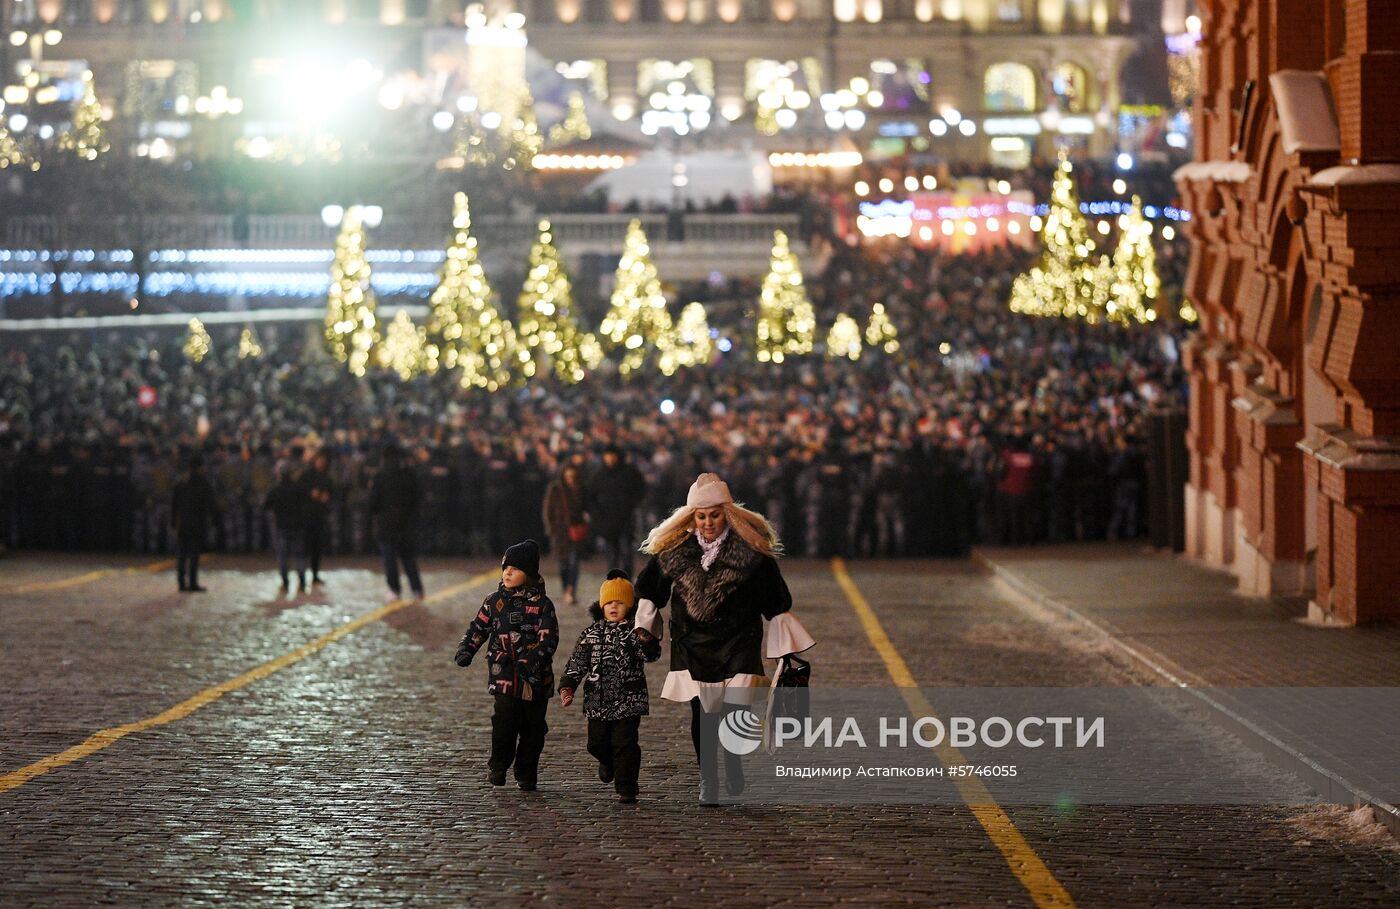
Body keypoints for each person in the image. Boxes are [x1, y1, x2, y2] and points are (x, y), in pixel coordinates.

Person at [634, 473, 814, 806]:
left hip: (738, 641)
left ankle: (732, 763)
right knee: (703, 715)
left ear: (727, 513)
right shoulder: (673, 551)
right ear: (691, 517)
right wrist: (644, 630)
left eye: (714, 515)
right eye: (701, 516)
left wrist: (786, 648)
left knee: (734, 713)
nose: (707, 523)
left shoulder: (752, 552)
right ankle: (708, 780)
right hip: (692, 643)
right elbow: (649, 590)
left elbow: (775, 600)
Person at [454, 540, 559, 792]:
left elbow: (549, 639)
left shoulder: (542, 605)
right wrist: (466, 649)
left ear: (529, 573)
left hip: (535, 680)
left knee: (533, 729)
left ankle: (526, 772)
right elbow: (478, 627)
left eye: (515, 568)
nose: (507, 573)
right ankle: (498, 765)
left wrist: (531, 660)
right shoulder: (494, 602)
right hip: (504, 674)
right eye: (505, 567)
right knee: (504, 720)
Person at [559, 570, 661, 804]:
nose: (614, 607)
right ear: (601, 605)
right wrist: (568, 685)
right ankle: (608, 761)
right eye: (609, 603)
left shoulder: (634, 633)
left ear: (630, 607)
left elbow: (651, 655)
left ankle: (627, 787)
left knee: (625, 744)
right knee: (596, 743)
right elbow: (578, 661)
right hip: (597, 700)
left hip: (628, 700)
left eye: (620, 603)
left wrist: (647, 641)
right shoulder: (591, 633)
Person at [368, 443, 424, 602]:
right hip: (406, 523)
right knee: (409, 558)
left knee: (389, 559)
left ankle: (394, 590)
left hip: (387, 524)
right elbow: (417, 499)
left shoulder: (380, 476)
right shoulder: (409, 474)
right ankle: (417, 589)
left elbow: (373, 503)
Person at [588, 445, 645, 578]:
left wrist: (631, 504)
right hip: (608, 521)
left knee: (626, 553)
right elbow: (591, 496)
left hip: (626, 519)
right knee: (612, 555)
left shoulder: (629, 472)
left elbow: (641, 489)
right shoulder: (599, 474)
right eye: (607, 455)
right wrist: (598, 513)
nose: (610, 458)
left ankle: (627, 581)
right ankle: (613, 583)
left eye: (612, 455)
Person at [171, 453, 217, 593]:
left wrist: (173, 522)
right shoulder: (203, 482)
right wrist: (214, 520)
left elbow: (174, 504)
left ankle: (181, 582)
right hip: (197, 522)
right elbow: (211, 504)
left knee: (182, 553)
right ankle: (192, 582)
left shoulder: (180, 482)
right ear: (200, 467)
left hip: (183, 522)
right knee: (194, 554)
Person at [542, 464, 588, 606]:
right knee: (563, 564)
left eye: (573, 476)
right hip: (560, 533)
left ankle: (571, 590)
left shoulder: (580, 489)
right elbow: (548, 509)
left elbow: (585, 507)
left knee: (574, 562)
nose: (570, 479)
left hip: (575, 531)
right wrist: (551, 528)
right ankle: (565, 588)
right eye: (568, 476)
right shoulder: (555, 489)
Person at [263, 462, 309, 595]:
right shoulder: (298, 488)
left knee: (283, 556)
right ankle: (302, 581)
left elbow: (266, 506)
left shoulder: (276, 490)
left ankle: (285, 582)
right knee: (299, 555)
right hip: (297, 525)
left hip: (281, 526)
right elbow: (307, 502)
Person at [300, 450, 334, 586]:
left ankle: (315, 574)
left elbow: (332, 491)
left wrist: (327, 497)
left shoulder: (326, 476)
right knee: (304, 547)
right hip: (307, 515)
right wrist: (310, 494)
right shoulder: (307, 476)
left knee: (317, 548)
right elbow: (300, 491)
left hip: (320, 516)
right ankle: (301, 574)